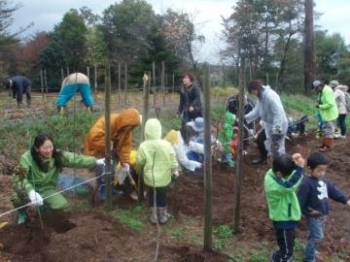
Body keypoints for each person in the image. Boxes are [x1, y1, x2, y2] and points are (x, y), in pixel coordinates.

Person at [11, 134, 103, 224]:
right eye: (45, 148)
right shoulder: (26, 158)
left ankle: (42, 210)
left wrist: (95, 161)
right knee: (16, 198)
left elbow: (74, 159)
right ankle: (22, 214)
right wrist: (31, 191)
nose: (49, 150)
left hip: (46, 189)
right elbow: (19, 178)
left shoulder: (56, 155)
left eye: (50, 147)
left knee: (61, 204)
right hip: (29, 188)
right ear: (36, 148)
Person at [297, 152, 350, 262]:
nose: (322, 173)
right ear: (309, 168)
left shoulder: (324, 180)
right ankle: (309, 257)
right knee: (318, 236)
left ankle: (311, 249)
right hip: (313, 216)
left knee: (314, 235)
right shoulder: (306, 183)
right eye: (319, 170)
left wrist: (346, 200)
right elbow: (300, 200)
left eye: (324, 170)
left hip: (323, 215)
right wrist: (302, 212)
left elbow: (334, 192)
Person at [83, 108, 142, 200]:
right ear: (125, 122)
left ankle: (111, 188)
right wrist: (107, 144)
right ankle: (103, 191)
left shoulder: (126, 132)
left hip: (112, 151)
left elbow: (125, 147)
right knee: (102, 170)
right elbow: (93, 137)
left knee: (113, 169)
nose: (130, 128)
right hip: (97, 150)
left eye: (132, 127)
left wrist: (126, 161)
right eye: (129, 126)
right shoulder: (107, 122)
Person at [136, 118, 178, 224]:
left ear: (146, 131)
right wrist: (174, 170)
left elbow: (139, 162)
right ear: (159, 130)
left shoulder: (143, 145)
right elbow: (173, 161)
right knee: (162, 195)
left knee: (152, 194)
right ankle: (163, 216)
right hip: (164, 178)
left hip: (150, 178)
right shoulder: (166, 144)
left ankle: (153, 216)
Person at [264, 153, 304, 262]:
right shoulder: (273, 185)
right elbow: (289, 186)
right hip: (283, 219)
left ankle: (280, 255)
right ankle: (281, 258)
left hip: (286, 216)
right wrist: (300, 169)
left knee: (287, 242)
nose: (288, 176)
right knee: (286, 251)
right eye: (287, 175)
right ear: (279, 174)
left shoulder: (276, 173)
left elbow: (289, 177)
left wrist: (295, 164)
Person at [244, 79, 288, 163]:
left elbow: (278, 114)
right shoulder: (261, 98)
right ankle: (263, 158)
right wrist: (245, 118)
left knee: (277, 146)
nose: (254, 95)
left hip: (279, 125)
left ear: (256, 89)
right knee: (260, 140)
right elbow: (257, 111)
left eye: (253, 92)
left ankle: (281, 164)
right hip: (269, 125)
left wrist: (277, 131)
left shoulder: (270, 96)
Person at [313, 80, 338, 151]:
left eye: (316, 89)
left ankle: (327, 146)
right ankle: (324, 143)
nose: (316, 91)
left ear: (319, 86)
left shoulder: (327, 91)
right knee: (325, 129)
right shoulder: (322, 91)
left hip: (330, 114)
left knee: (329, 130)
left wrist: (320, 106)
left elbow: (330, 104)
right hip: (326, 114)